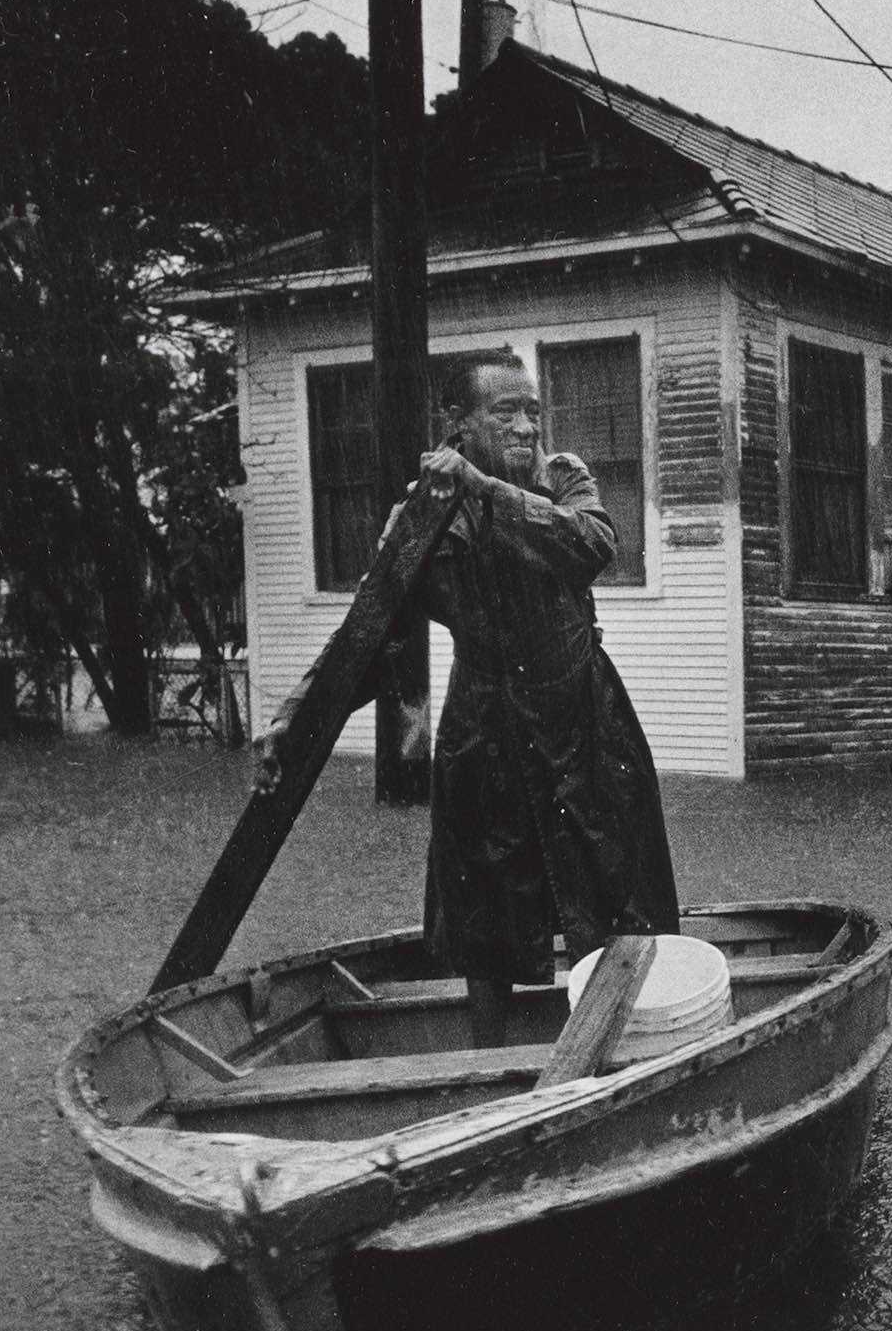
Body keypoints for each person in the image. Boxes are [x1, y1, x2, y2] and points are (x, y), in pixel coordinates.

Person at [257, 354, 680, 1047]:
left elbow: (590, 545)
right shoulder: (422, 515)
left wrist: (484, 489)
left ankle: (618, 1044)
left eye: (532, 411)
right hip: (484, 726)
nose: (524, 426)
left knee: (610, 882)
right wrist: (294, 720)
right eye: (504, 412)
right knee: (486, 898)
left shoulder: (563, 477)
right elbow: (372, 634)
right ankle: (489, 1064)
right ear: (458, 423)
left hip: (581, 713)